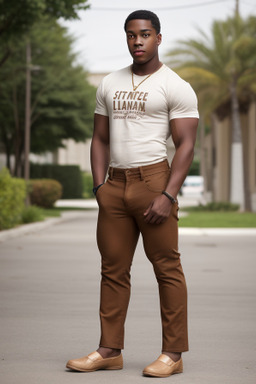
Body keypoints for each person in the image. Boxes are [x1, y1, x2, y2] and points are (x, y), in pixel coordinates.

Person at [66, 9, 199, 378]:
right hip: (115, 186)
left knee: (167, 269)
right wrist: (99, 187)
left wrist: (168, 195)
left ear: (158, 37)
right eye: (130, 35)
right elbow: (99, 138)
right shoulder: (109, 83)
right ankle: (109, 349)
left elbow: (186, 144)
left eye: (144, 34)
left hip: (154, 181)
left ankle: (173, 354)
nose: (137, 41)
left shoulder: (175, 85)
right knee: (112, 270)